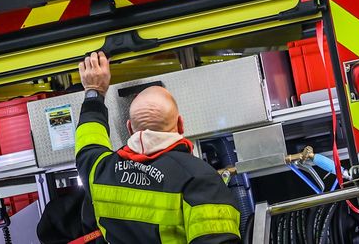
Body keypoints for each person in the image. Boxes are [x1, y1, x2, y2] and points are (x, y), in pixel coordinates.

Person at [75, 51, 241, 243]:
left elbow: (88, 142)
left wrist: (94, 90)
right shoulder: (200, 179)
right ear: (180, 124)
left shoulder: (100, 171)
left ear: (130, 128)